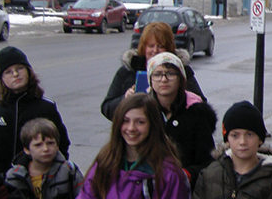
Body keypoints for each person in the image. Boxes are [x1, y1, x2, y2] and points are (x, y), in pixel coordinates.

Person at [77, 93, 189, 199]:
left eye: (140, 122)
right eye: (125, 121)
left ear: (152, 125)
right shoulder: (105, 161)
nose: (131, 128)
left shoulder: (167, 173)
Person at [0, 47, 70, 174]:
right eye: (8, 72)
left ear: (28, 71)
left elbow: (62, 145)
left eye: (19, 68)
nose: (15, 74)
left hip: (32, 183)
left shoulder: (45, 107)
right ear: (1, 78)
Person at [100, 21, 206, 120]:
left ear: (169, 48)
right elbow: (107, 108)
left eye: (160, 46)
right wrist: (125, 99)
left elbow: (201, 105)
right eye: (151, 46)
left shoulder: (181, 70)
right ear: (143, 47)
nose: (155, 51)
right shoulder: (128, 71)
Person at [193, 101, 272, 199]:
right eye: (235, 135)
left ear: (260, 139)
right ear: (227, 139)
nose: (242, 141)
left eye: (249, 134)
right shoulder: (210, 174)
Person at [146, 52, 216, 186]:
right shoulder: (144, 112)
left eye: (170, 73)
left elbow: (207, 161)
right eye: (158, 74)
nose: (164, 79)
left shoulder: (196, 113)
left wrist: (186, 174)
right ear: (150, 79)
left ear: (181, 79)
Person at [4, 118, 84, 199]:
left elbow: (85, 194)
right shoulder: (15, 175)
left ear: (57, 146)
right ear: (27, 150)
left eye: (50, 143)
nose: (45, 149)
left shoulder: (69, 171)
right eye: (38, 145)